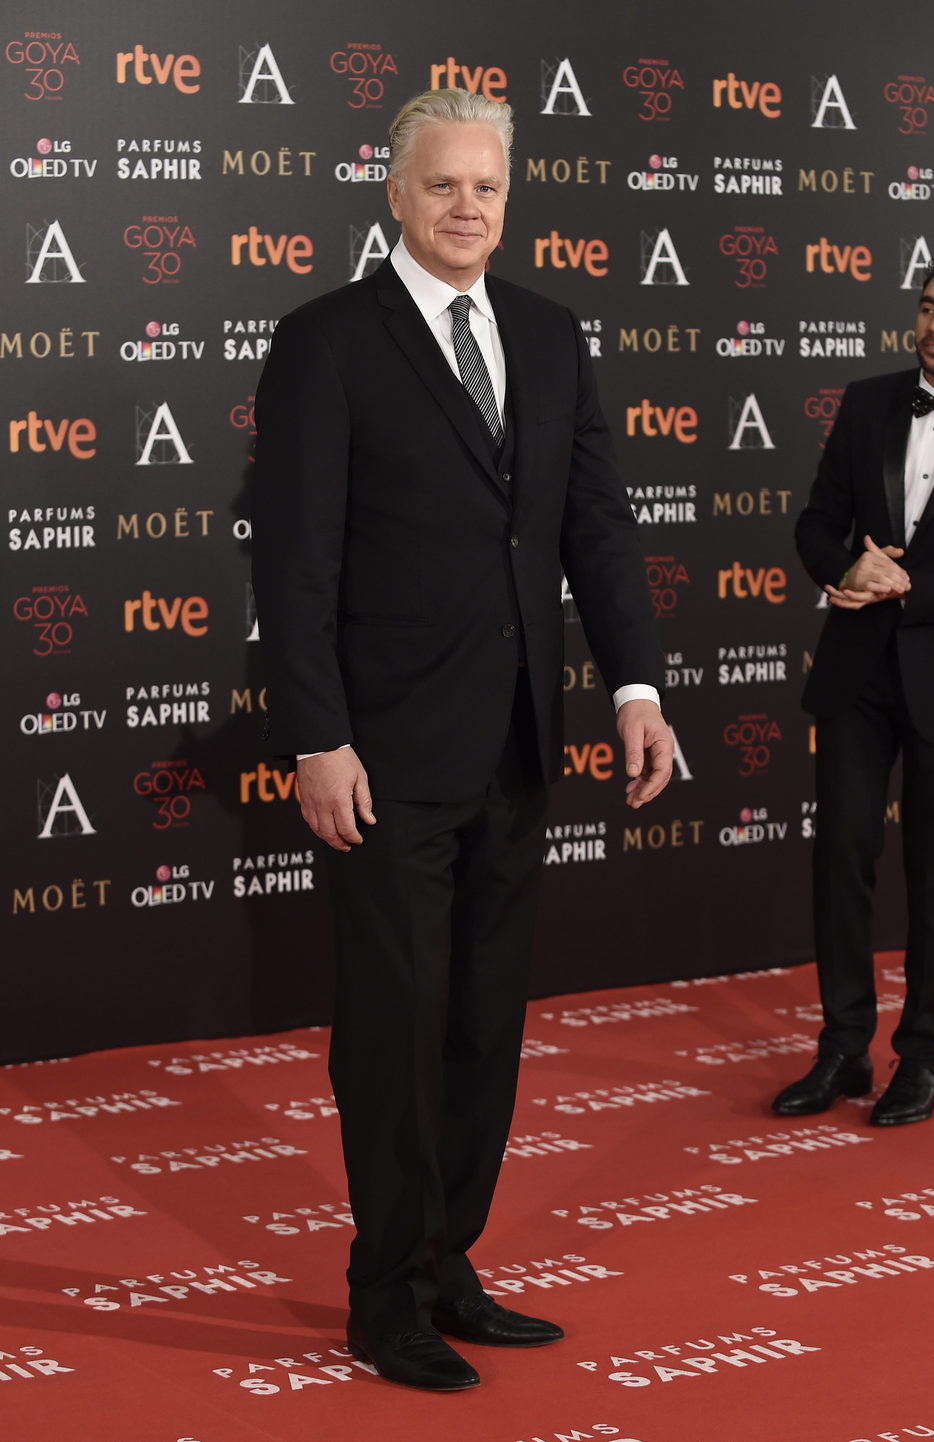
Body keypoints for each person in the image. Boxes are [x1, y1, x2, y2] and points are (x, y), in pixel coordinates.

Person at [251, 88, 671, 1392]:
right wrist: (317, 736)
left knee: (485, 1023)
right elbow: (294, 557)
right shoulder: (326, 341)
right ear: (396, 191)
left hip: (513, 747)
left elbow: (592, 527)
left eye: (487, 185)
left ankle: (449, 1262)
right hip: (380, 754)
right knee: (392, 1026)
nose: (468, 206)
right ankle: (383, 1295)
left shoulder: (547, 335)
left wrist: (637, 688)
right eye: (444, 185)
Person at [772, 253, 934, 1128]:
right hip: (856, 673)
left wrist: (911, 584)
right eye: (927, 308)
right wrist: (846, 563)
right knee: (841, 857)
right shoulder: (868, 400)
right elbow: (816, 521)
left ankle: (922, 1054)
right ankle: (844, 1049)